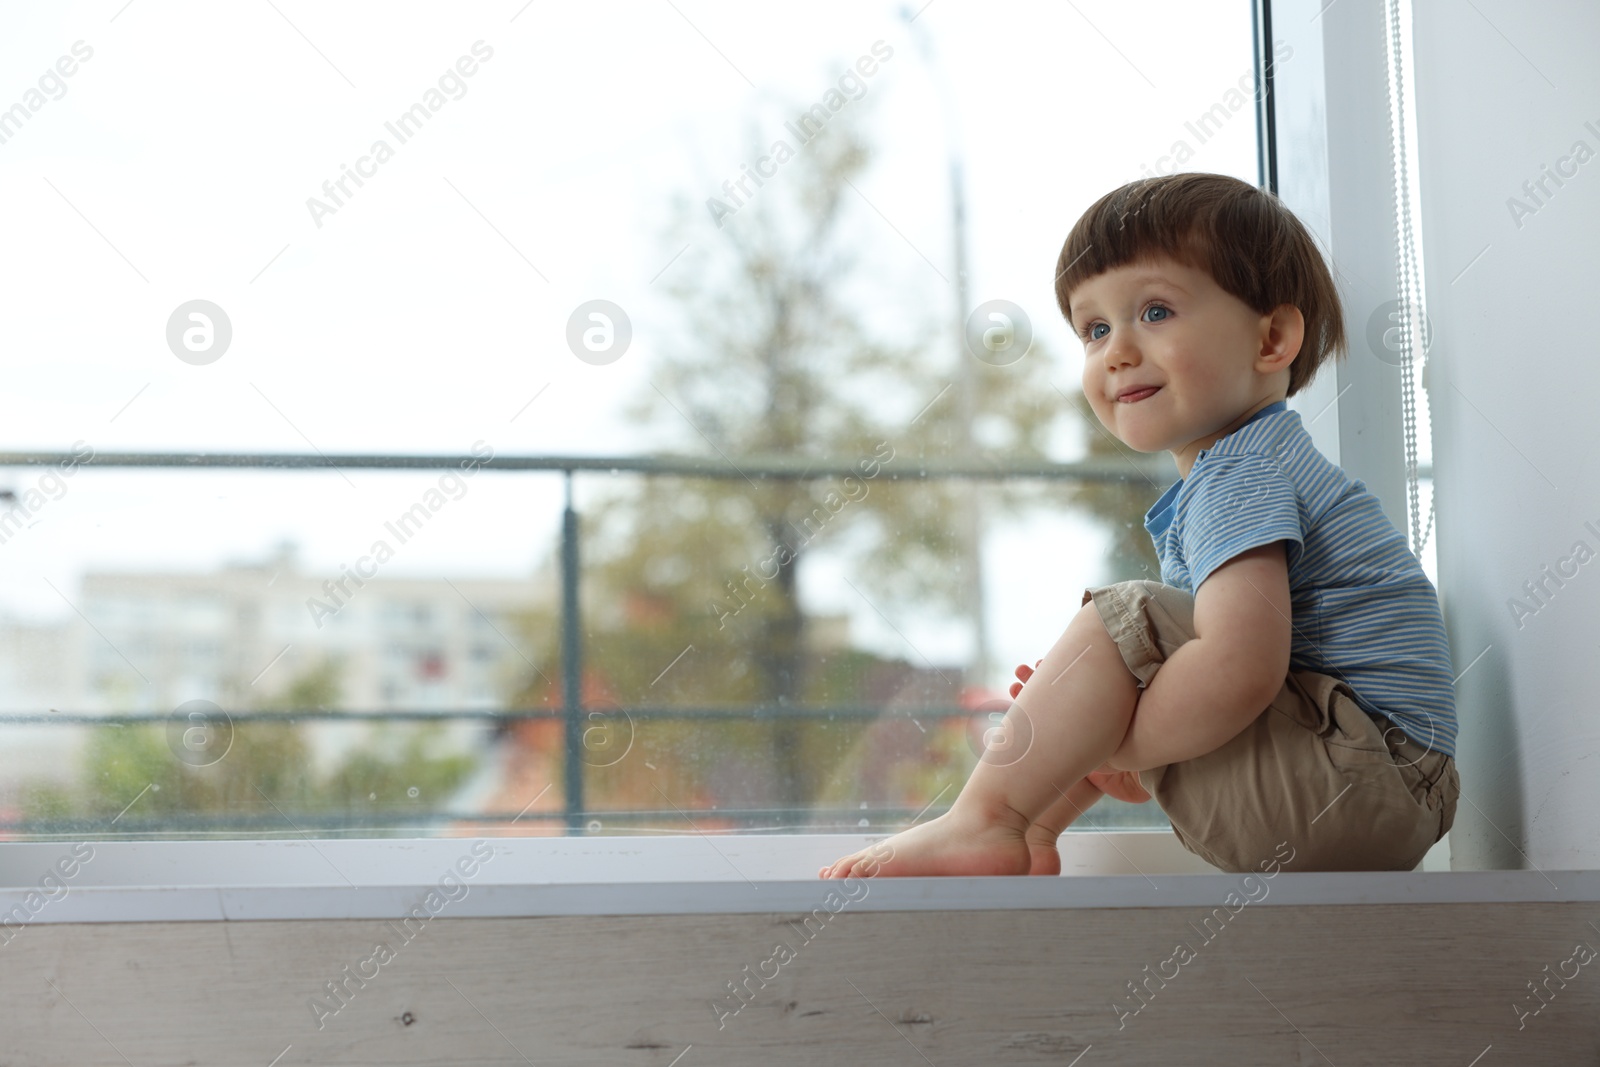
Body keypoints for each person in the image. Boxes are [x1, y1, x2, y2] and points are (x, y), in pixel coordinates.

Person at [819, 172, 1458, 879]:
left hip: (1358, 780)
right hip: (1369, 789)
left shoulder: (1238, 472)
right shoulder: (1259, 465)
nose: (1117, 349)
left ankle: (985, 819)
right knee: (1111, 671)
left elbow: (1243, 669)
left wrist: (1123, 738)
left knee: (1127, 617)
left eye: (1154, 311)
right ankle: (1028, 831)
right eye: (1095, 328)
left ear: (1272, 338)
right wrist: (1102, 716)